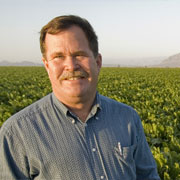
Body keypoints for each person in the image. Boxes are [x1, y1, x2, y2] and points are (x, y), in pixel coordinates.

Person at [0, 15, 160, 180]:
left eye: (79, 54)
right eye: (58, 57)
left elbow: (148, 176)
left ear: (97, 62)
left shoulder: (127, 117)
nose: (71, 65)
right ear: (47, 66)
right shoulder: (16, 133)